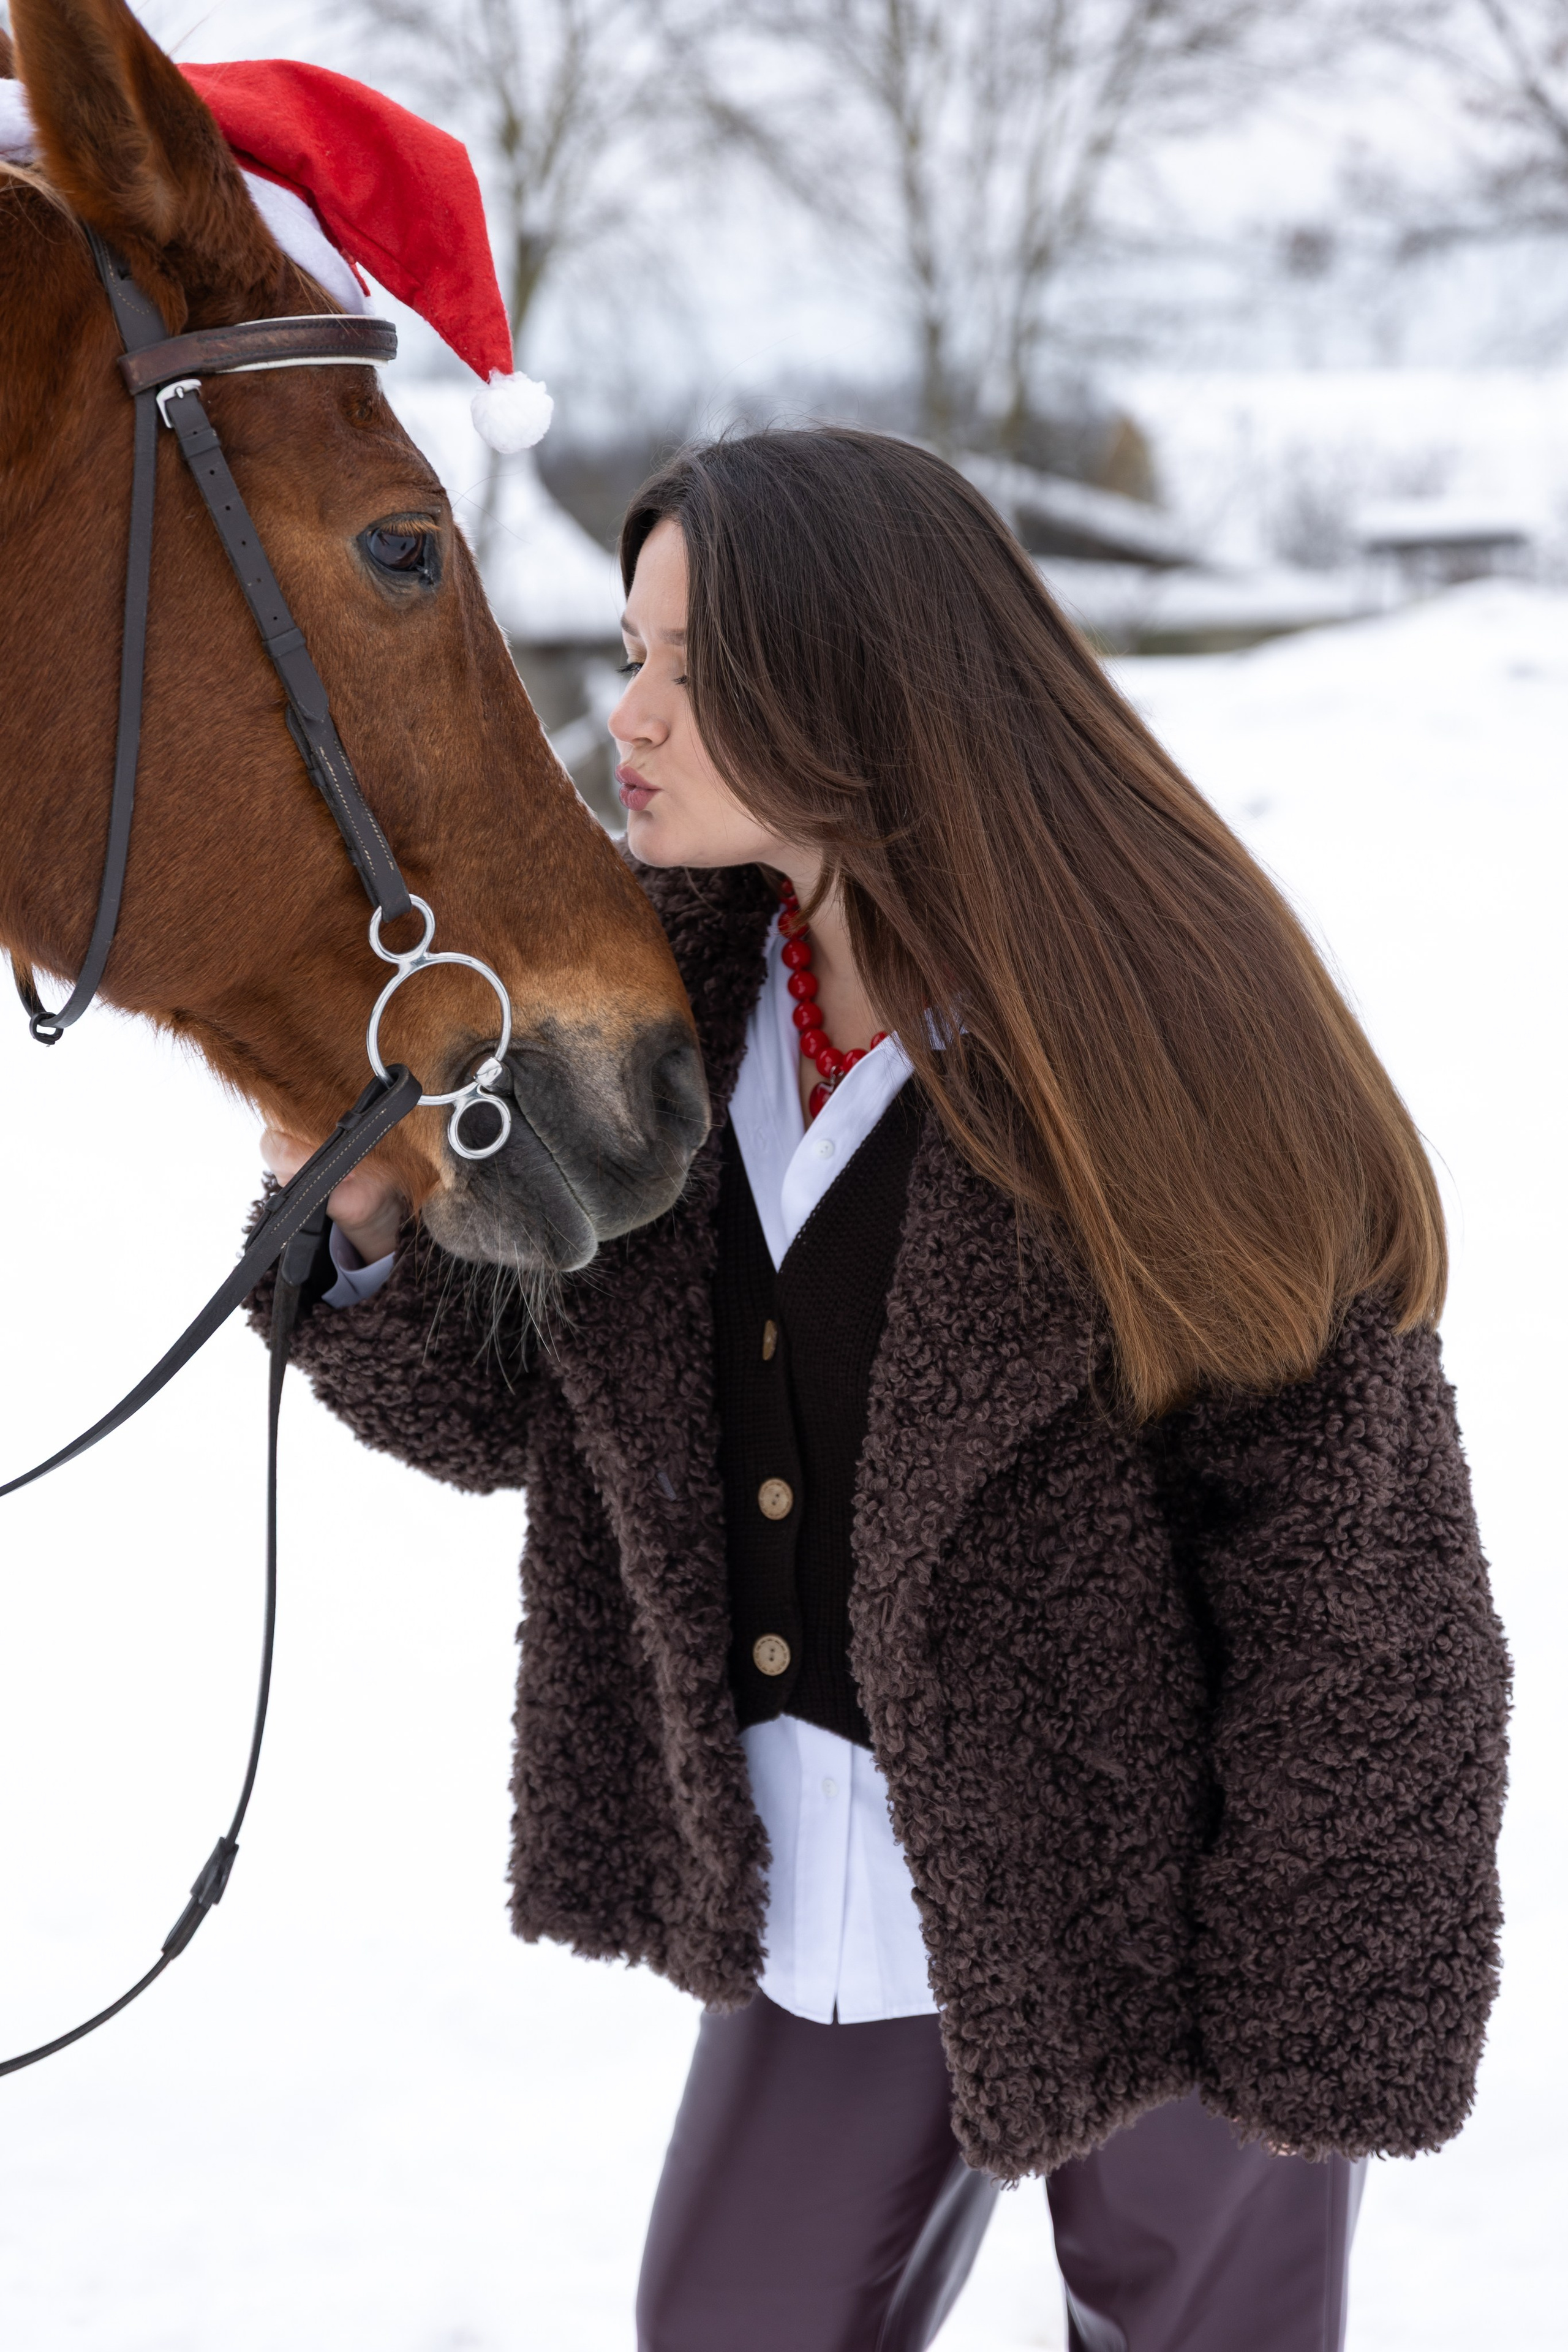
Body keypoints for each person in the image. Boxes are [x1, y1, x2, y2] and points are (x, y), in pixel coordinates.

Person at [257, 429, 1509, 2352]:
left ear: (842, 682)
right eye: (629, 644)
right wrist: (351, 1235)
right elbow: (536, 1421)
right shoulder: (664, 1010)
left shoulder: (1161, 1034)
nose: (630, 712)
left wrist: (1318, 1979)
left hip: (1165, 1910)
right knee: (727, 2326)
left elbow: (1362, 1580)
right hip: (822, 1902)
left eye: (686, 665)